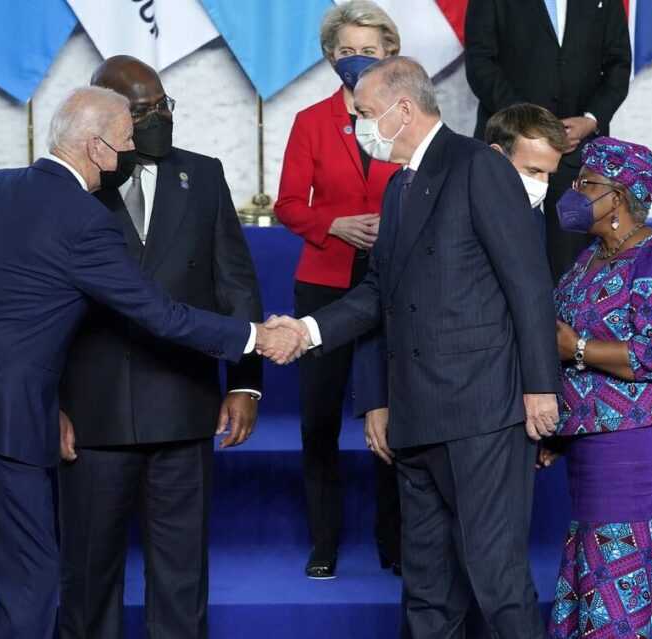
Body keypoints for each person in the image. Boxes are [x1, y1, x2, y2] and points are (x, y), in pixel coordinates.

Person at [0, 87, 305, 639]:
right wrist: (255, 336)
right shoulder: (85, 220)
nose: (133, 150)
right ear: (97, 148)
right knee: (32, 583)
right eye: (127, 140)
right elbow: (160, 315)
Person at [270, 56, 560, 638]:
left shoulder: (479, 166)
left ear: (403, 110)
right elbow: (380, 294)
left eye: (366, 113)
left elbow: (528, 283)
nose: (359, 126)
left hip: (482, 415)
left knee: (497, 582)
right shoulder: (399, 188)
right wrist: (307, 331)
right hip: (416, 416)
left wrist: (540, 388)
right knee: (426, 591)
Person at [57, 56, 264, 639]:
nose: (160, 119)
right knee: (88, 576)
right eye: (144, 111)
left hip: (183, 403)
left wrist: (245, 383)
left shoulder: (203, 174)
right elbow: (37, 309)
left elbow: (236, 284)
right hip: (92, 414)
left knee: (181, 577)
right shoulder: (67, 185)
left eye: (163, 105)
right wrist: (49, 403)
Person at [541, 137, 652, 638]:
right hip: (591, 431)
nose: (574, 192)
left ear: (617, 197)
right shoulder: (589, 258)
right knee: (599, 543)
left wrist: (579, 348)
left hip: (638, 431)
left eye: (586, 183)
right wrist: (559, 430)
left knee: (621, 545)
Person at [273, 0, 402, 579]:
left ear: (390, 53)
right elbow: (286, 204)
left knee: (395, 413)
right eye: (346, 50)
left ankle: (393, 540)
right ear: (330, 57)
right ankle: (323, 542)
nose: (356, 59)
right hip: (324, 282)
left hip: (394, 281)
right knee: (319, 419)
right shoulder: (310, 120)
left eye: (368, 50)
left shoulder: (405, 116)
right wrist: (333, 224)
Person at [464, 0, 631, 281]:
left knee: (571, 266)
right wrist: (528, 123)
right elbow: (480, 62)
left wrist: (591, 119)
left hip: (578, 151)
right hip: (511, 148)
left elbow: (619, 64)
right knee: (502, 256)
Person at [485, 103, 572, 245]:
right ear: (496, 156)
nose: (543, 183)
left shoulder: (536, 218)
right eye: (533, 171)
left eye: (549, 174)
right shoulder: (461, 218)